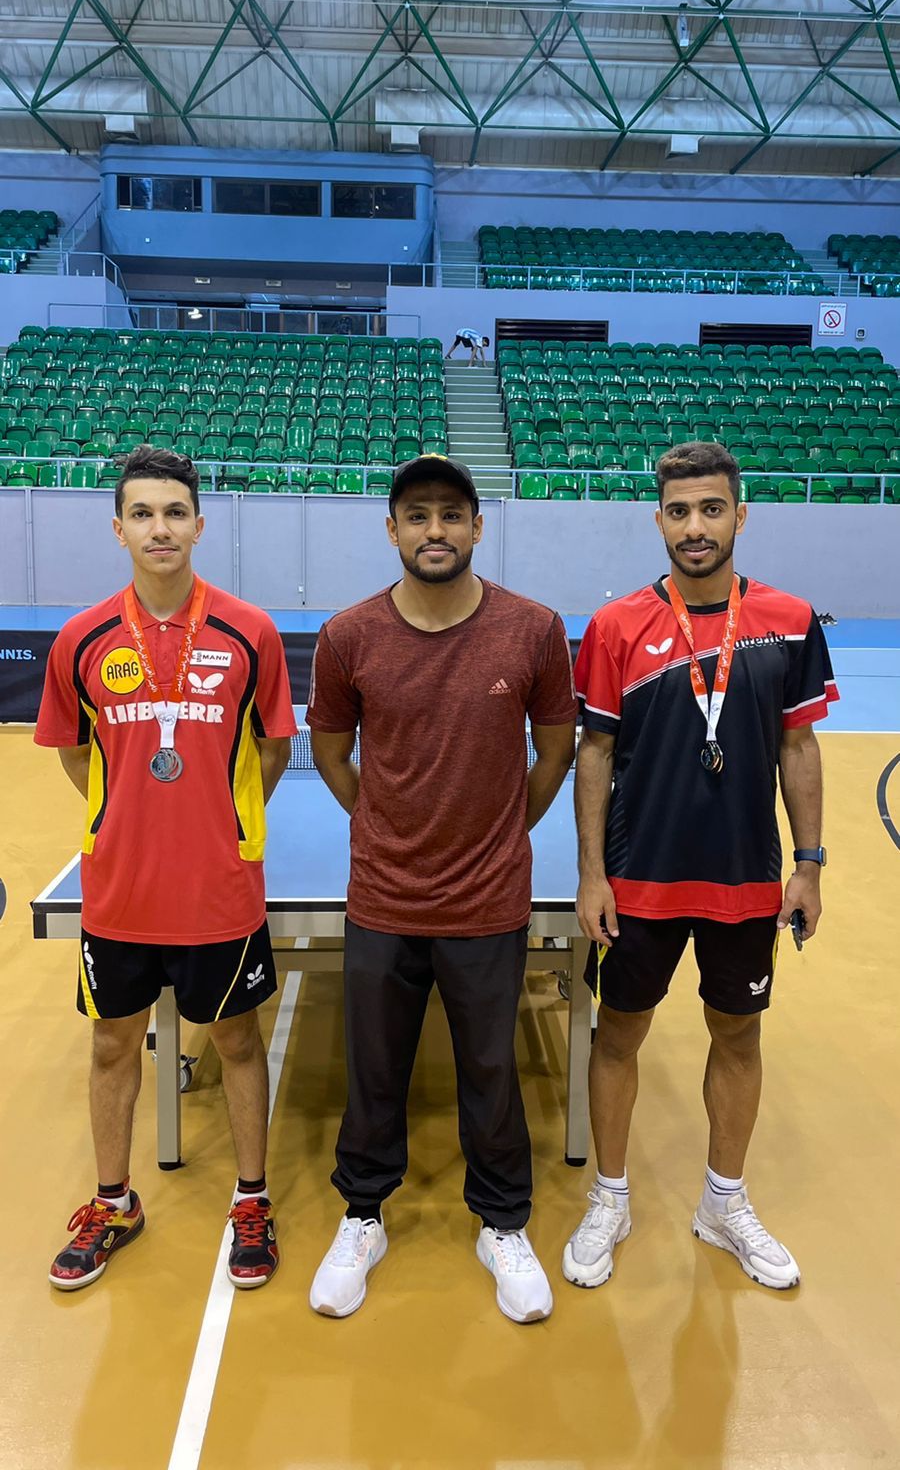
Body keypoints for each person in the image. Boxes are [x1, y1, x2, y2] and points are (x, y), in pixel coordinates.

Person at [306, 454, 577, 1323]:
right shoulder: (349, 635)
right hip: (383, 898)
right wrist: (380, 822)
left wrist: (504, 829)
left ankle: (502, 1224)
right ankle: (363, 1215)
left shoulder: (534, 629)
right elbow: (330, 752)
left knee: (492, 1071)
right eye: (417, 515)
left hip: (488, 901)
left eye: (452, 515)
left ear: (477, 528)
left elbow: (557, 749)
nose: (435, 530)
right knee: (374, 1068)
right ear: (392, 530)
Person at [564, 440, 837, 1293]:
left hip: (745, 879)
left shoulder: (790, 620)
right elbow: (593, 754)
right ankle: (609, 1199)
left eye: (711, 508)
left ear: (740, 515)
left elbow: (798, 746)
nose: (695, 526)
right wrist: (590, 874)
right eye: (679, 511)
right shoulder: (615, 627)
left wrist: (809, 865)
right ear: (658, 520)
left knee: (738, 1034)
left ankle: (724, 1201)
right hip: (638, 878)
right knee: (619, 1035)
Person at [35, 445, 296, 1291]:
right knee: (114, 1044)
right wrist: (125, 820)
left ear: (199, 525)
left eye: (175, 512)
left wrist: (223, 822)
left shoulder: (250, 632)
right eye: (143, 513)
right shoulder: (80, 639)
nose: (160, 528)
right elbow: (76, 754)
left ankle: (251, 1199)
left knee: (238, 1040)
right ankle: (113, 1203)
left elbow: (274, 747)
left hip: (220, 890)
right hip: (119, 892)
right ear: (118, 529)